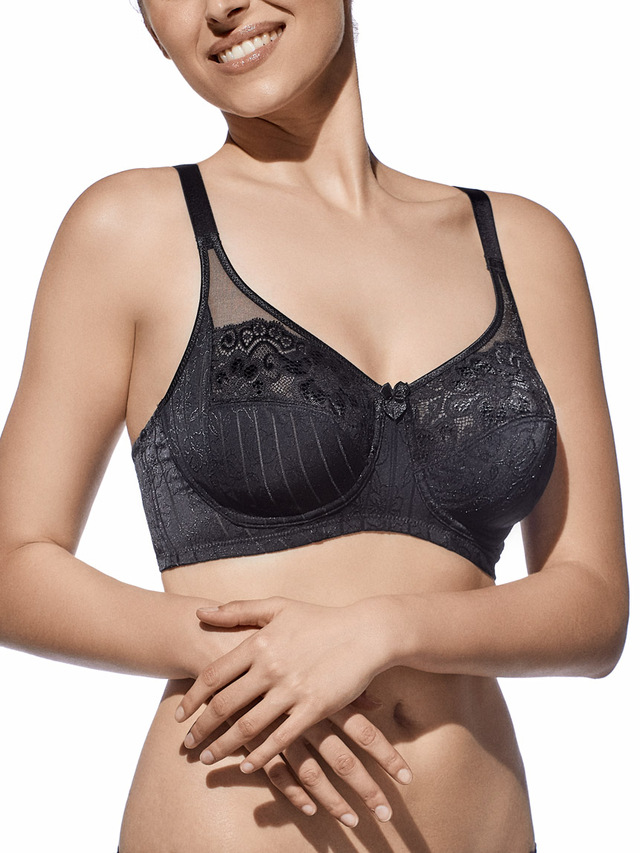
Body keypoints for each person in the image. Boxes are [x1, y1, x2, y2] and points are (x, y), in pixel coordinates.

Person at [0, 0, 630, 851]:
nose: (219, 7)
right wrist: (257, 655)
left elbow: (592, 604)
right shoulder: (132, 227)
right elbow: (12, 561)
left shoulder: (524, 245)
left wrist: (381, 629)